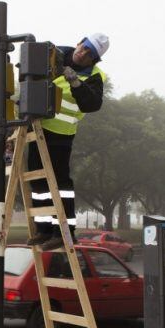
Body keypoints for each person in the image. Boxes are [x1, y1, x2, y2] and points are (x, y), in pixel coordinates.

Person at [27, 32, 109, 251]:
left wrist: (75, 82)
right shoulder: (55, 54)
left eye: (89, 54)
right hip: (37, 127)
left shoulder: (94, 76)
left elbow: (92, 104)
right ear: (79, 42)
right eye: (84, 47)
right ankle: (43, 230)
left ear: (94, 60)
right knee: (38, 183)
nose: (83, 54)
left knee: (61, 185)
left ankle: (63, 232)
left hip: (61, 134)